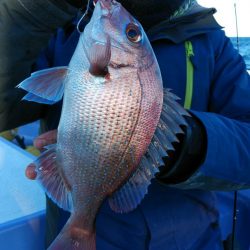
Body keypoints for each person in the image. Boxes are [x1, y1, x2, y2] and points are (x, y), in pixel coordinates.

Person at [0, 0, 250, 249]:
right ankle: (79, 226)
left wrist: (179, 146)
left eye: (131, 34)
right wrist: (35, 6)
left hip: (192, 241)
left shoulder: (209, 40)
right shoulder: (59, 28)